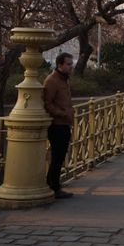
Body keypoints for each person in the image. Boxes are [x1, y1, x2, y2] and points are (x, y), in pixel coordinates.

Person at [43, 52, 74, 199]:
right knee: (57, 156)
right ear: (60, 64)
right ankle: (53, 187)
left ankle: (53, 184)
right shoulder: (52, 81)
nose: (70, 66)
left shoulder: (64, 80)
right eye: (68, 64)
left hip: (64, 123)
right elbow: (47, 103)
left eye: (71, 64)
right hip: (57, 124)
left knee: (60, 156)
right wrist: (62, 113)